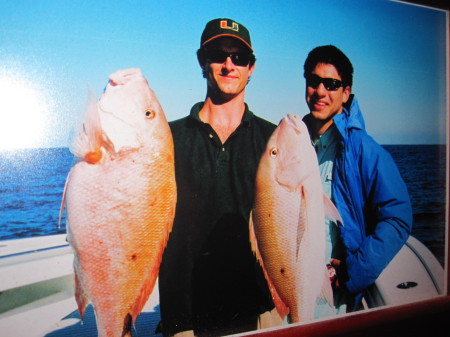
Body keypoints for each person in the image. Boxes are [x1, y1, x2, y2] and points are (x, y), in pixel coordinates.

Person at [158, 18, 281, 337]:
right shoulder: (166, 140)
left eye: (239, 57)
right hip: (185, 316)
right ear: (202, 60)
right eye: (218, 54)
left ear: (251, 67)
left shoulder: (276, 142)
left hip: (258, 311)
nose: (229, 64)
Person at [301, 45, 413, 316]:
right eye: (314, 81)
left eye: (331, 84)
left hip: (331, 299)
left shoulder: (363, 148)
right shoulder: (296, 142)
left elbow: (398, 217)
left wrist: (354, 271)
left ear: (345, 93)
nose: (320, 91)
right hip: (290, 283)